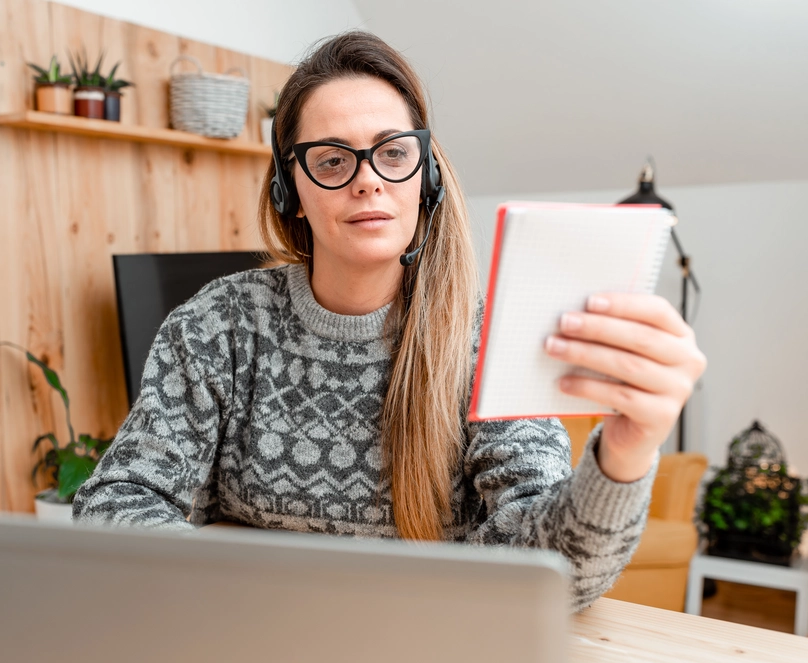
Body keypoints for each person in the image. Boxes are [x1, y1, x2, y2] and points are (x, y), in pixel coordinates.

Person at [73, 31, 707, 611]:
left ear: (425, 175)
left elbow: (549, 573)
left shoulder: (482, 342)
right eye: (331, 160)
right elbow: (114, 505)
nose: (368, 182)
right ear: (288, 189)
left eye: (392, 153)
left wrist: (625, 453)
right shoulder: (218, 325)